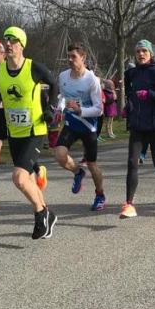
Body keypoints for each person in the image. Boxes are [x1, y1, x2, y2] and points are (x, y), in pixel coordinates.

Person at [0, 26, 58, 237]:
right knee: (28, 179)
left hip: (35, 130)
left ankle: (41, 214)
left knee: (18, 177)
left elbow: (54, 85)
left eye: (13, 40)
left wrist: (50, 109)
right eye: (6, 39)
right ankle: (48, 215)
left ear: (22, 45)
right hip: (14, 132)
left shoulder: (34, 68)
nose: (8, 44)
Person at [120, 40, 155, 219]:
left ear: (150, 54)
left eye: (144, 51)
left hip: (154, 125)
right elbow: (130, 93)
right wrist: (128, 106)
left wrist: (150, 94)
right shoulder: (131, 73)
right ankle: (129, 204)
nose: (141, 54)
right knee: (132, 163)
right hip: (137, 125)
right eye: (138, 51)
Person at [54, 43, 106, 211]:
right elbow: (63, 96)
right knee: (60, 155)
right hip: (71, 124)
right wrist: (59, 109)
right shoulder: (63, 76)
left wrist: (80, 110)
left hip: (88, 126)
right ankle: (77, 172)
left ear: (83, 58)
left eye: (73, 56)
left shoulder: (92, 80)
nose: (70, 60)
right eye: (68, 56)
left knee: (92, 164)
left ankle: (100, 195)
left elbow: (99, 109)